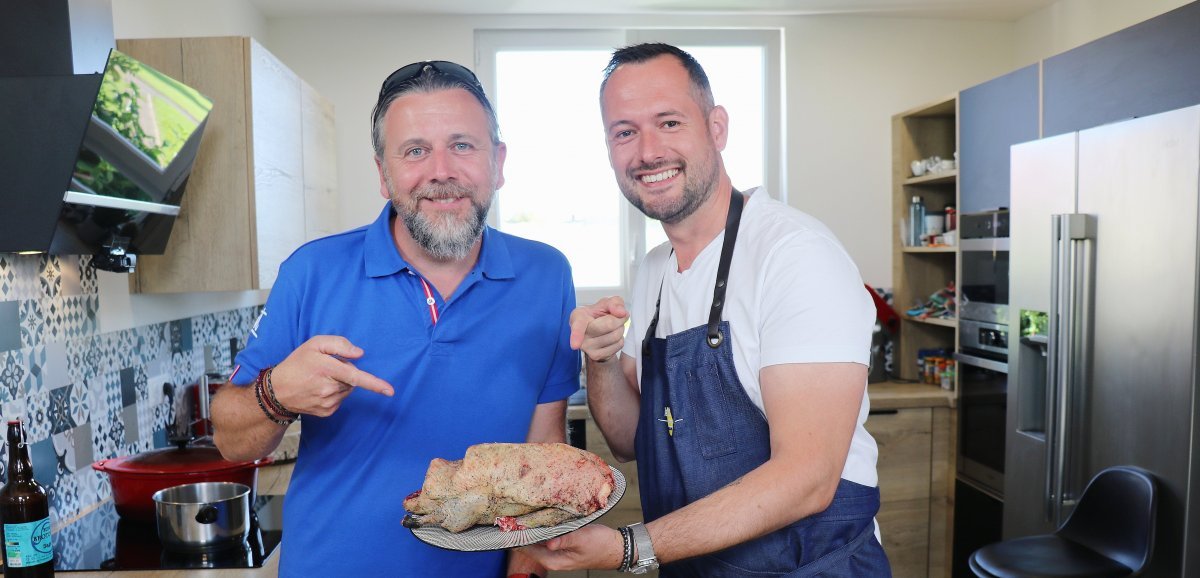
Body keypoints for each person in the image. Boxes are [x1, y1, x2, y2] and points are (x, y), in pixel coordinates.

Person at [522, 43, 891, 576]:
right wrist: (599, 360)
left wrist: (630, 547)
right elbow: (630, 441)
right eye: (624, 132)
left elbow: (808, 477)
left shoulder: (794, 254)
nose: (647, 151)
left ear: (716, 128)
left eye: (669, 122)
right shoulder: (654, 269)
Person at [210, 60, 580, 578]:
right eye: (415, 151)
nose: (441, 171)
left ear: (497, 162)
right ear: (383, 174)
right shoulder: (311, 271)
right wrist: (276, 393)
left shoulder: (547, 274)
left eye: (463, 145)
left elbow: (544, 442)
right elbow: (230, 440)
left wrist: (526, 558)